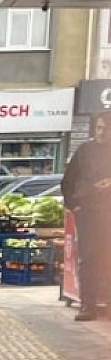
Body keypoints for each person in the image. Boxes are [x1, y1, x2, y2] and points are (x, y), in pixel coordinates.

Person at [63, 112, 111, 320]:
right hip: (89, 212)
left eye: (106, 129)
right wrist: (75, 205)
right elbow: (69, 180)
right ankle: (88, 305)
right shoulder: (85, 151)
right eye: (99, 128)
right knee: (88, 258)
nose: (101, 133)